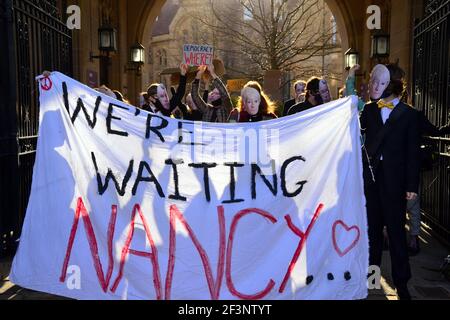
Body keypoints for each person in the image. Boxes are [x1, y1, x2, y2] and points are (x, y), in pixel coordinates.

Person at [360, 63, 420, 300]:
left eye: (380, 82)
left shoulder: (409, 115)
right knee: (372, 233)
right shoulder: (368, 110)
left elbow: (413, 152)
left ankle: (402, 284)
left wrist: (411, 187)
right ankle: (373, 280)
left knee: (396, 234)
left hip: (396, 182)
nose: (374, 85)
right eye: (373, 81)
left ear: (391, 85)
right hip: (372, 180)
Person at [407, 113, 450, 255]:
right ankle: (413, 240)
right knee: (413, 203)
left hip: (392, 165)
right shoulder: (415, 115)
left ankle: (389, 237)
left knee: (393, 202)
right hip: (411, 165)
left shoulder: (386, 113)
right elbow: (435, 131)